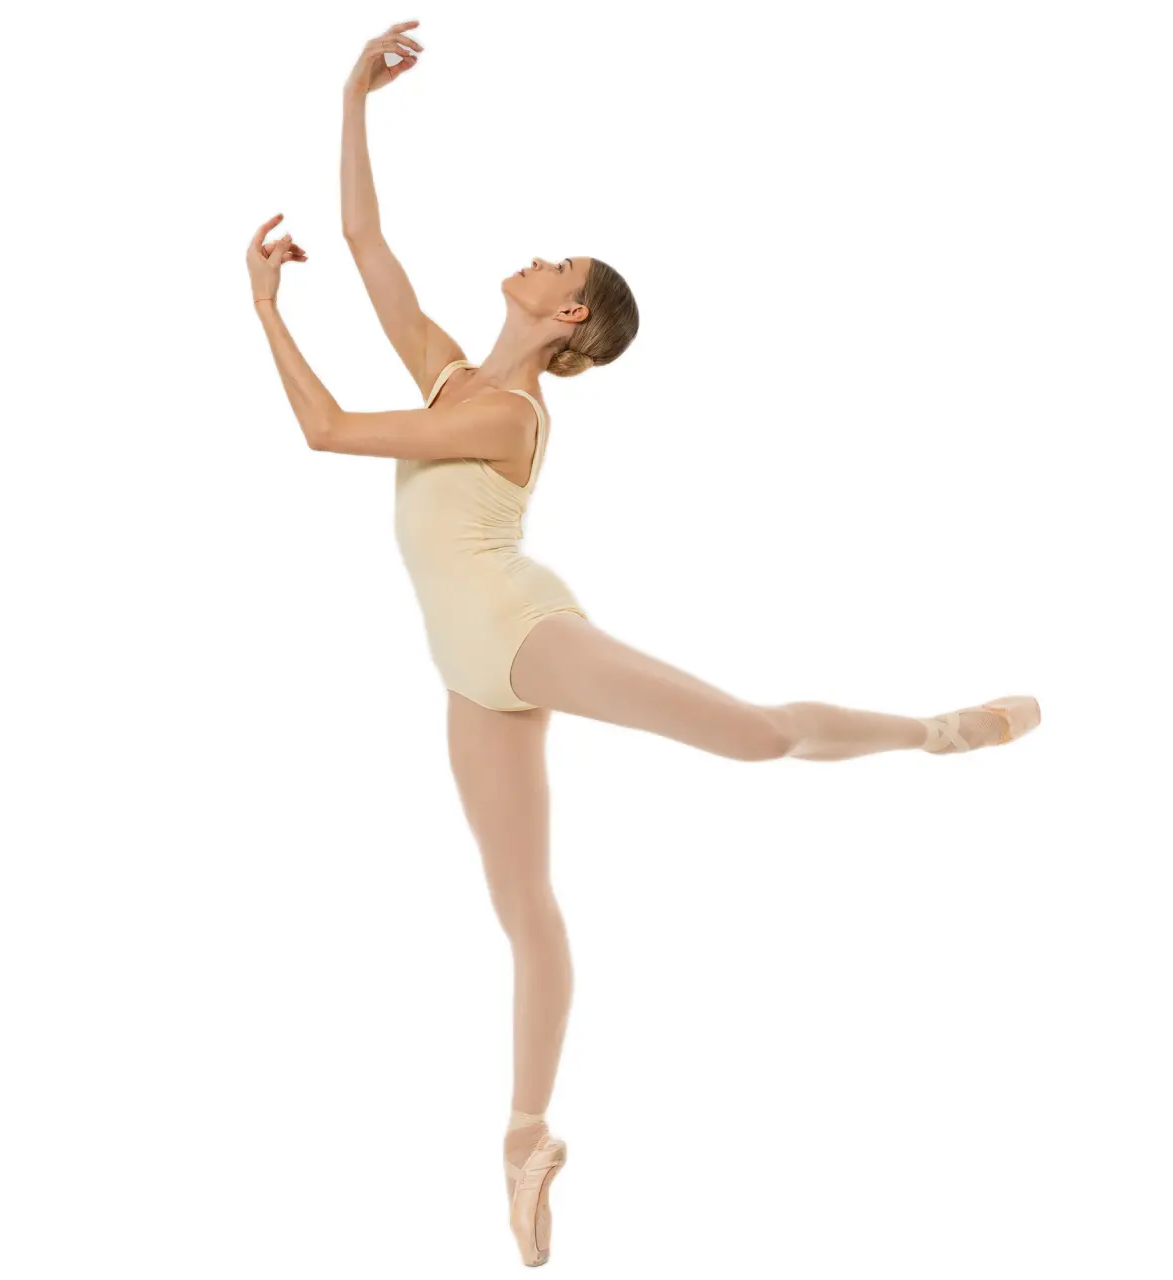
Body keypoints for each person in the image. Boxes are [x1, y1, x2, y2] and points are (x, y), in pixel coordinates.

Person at [245, 20, 1042, 1267]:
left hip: (521, 627)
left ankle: (938, 729)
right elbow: (364, 243)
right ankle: (525, 1138)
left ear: (565, 311)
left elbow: (328, 430)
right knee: (523, 908)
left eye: (553, 260)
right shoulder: (454, 377)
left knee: (754, 736)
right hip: (466, 673)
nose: (531, 254)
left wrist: (259, 308)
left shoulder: (505, 415)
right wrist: (354, 96)